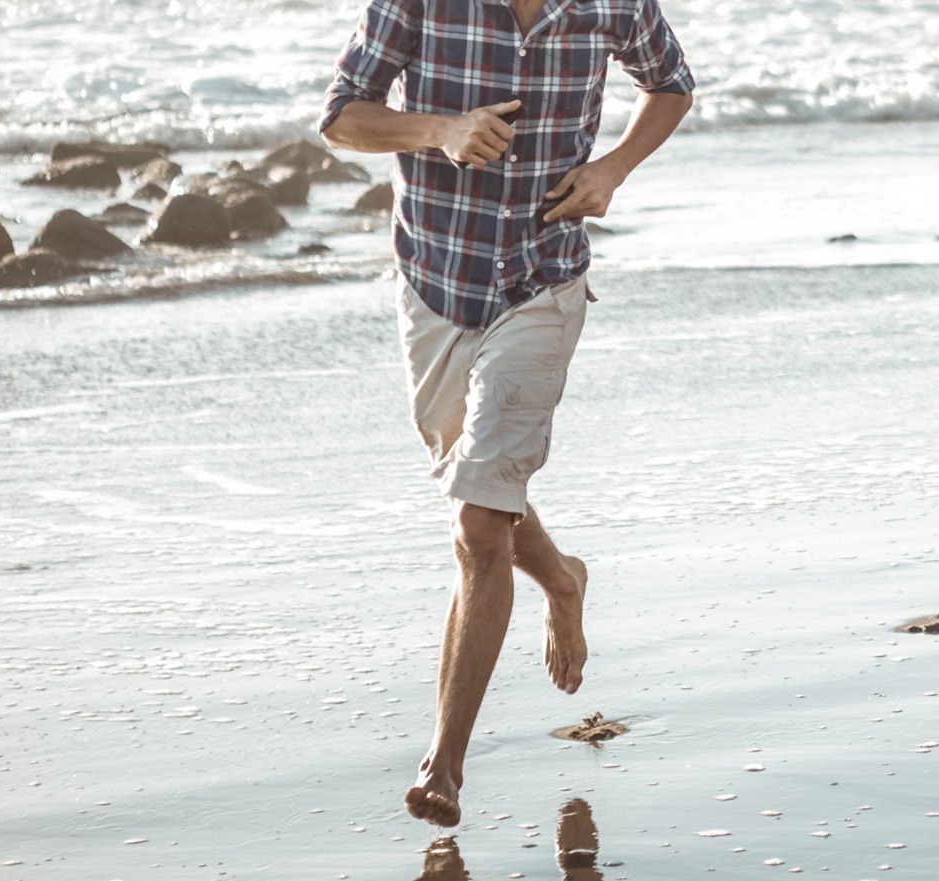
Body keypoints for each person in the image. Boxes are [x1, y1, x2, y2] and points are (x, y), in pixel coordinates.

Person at [317, 0, 694, 827]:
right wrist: (439, 130)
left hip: (542, 282)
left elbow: (671, 84)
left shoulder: (613, 5)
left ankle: (442, 766)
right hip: (435, 286)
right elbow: (344, 115)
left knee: (480, 523)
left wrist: (612, 169)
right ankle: (563, 578)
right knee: (473, 483)